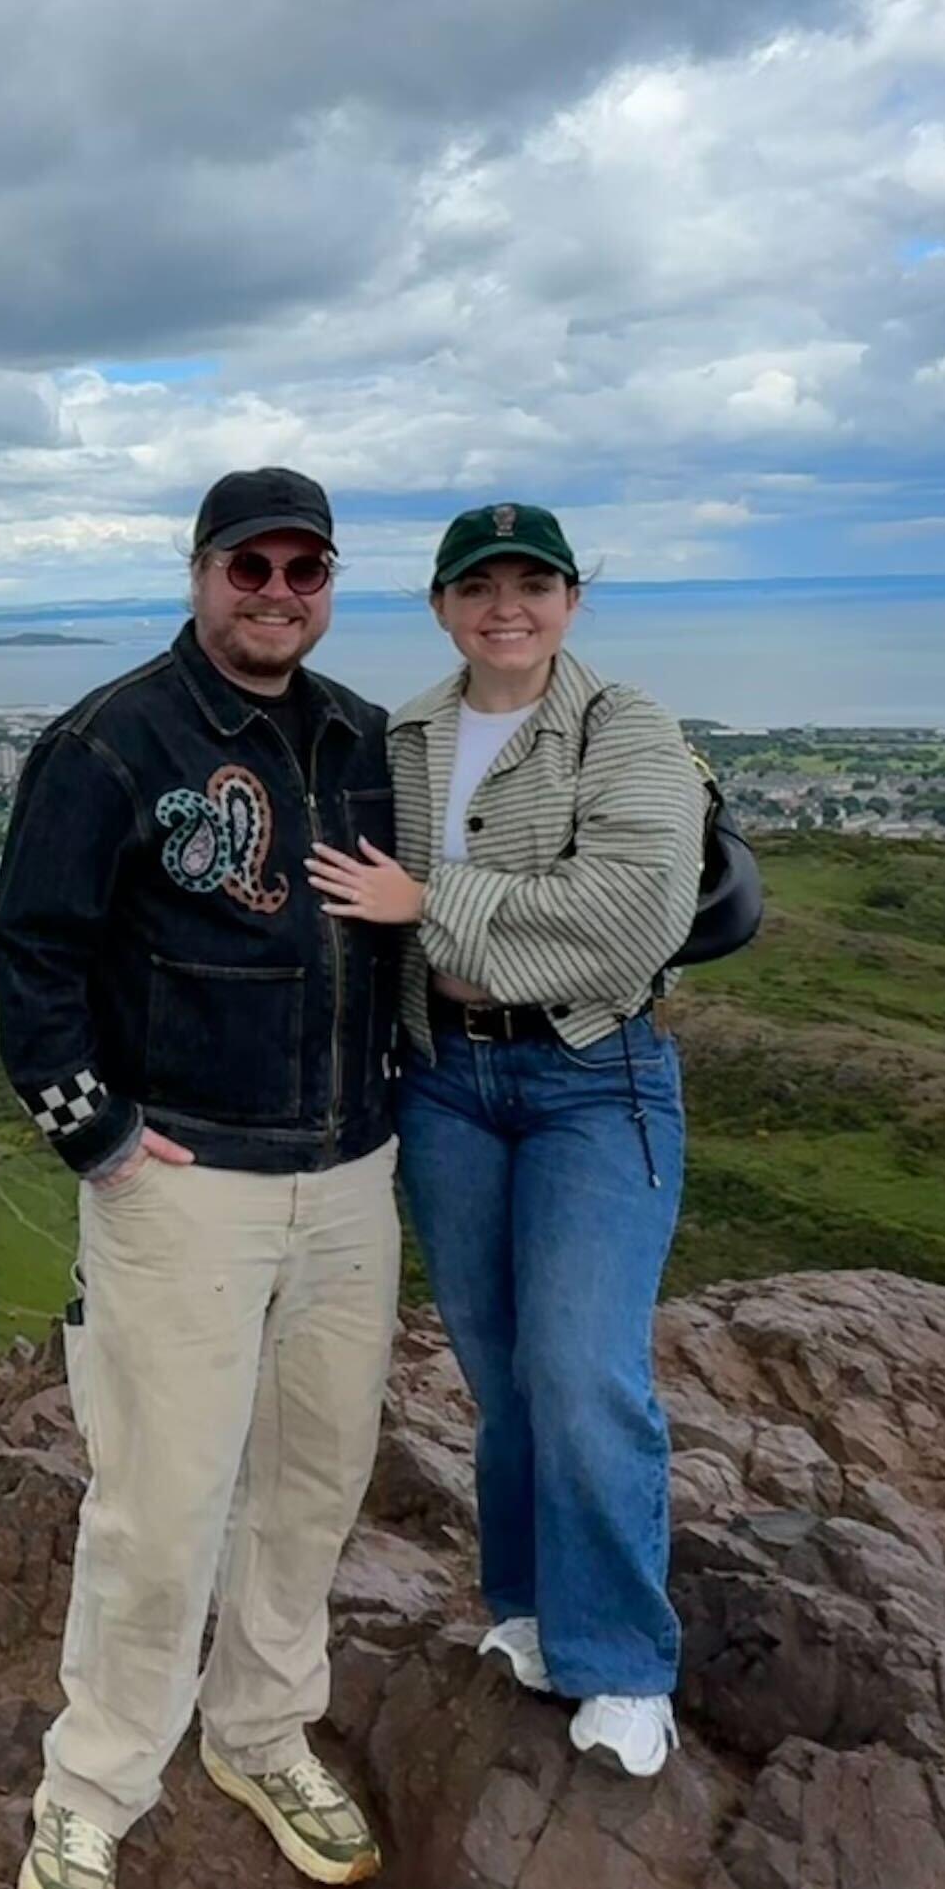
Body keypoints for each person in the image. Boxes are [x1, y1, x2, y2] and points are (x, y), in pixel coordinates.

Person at [0, 466, 411, 1889]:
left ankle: (260, 1730)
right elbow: (31, 955)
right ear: (199, 572)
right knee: (163, 1506)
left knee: (313, 1478)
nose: (277, 595)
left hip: (353, 1171)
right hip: (187, 1185)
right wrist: (95, 1138)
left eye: (306, 571)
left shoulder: (365, 740)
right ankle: (92, 1790)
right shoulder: (111, 741)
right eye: (251, 569)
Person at [307, 501, 707, 1779]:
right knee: (505, 1375)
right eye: (480, 585)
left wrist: (432, 902)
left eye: (534, 583)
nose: (507, 606)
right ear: (440, 606)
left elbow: (631, 918)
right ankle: (530, 1611)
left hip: (597, 1076)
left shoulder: (624, 728)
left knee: (585, 1369)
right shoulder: (408, 736)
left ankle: (627, 1661)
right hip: (448, 1084)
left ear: (573, 601)